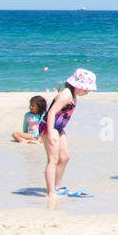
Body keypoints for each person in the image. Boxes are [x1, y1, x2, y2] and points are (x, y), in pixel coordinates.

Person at [40, 69, 96, 199]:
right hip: (50, 126)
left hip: (59, 128)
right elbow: (51, 113)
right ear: (77, 86)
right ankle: (51, 193)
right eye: (86, 89)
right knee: (53, 159)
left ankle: (57, 187)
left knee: (65, 157)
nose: (88, 92)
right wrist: (50, 132)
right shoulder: (66, 95)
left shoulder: (73, 95)